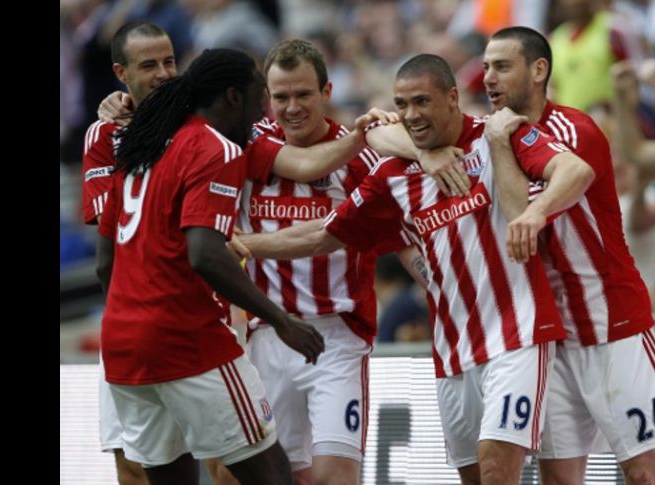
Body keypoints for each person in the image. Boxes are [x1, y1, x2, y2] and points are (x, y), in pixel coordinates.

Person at [234, 53, 596, 485]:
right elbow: (327, 233)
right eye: (401, 105)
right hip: (451, 348)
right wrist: (240, 248)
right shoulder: (390, 172)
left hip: (515, 334)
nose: (411, 115)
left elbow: (575, 169)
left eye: (422, 102)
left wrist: (534, 216)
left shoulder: (497, 135)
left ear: (452, 98)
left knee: (500, 468)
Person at [95, 47, 326, 485]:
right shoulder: (214, 147)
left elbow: (105, 263)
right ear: (234, 97)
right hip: (186, 340)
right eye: (261, 101)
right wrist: (280, 320)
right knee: (271, 471)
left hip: (123, 346)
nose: (264, 118)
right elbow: (204, 252)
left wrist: (137, 318)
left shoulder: (142, 144)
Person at [482, 26, 655, 484]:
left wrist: (532, 212)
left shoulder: (574, 128)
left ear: (539, 71)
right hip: (552, 334)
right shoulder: (497, 136)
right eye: (486, 66)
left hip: (613, 321)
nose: (488, 77)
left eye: (502, 66)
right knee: (558, 478)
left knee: (642, 473)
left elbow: (522, 215)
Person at [234, 39, 424, 485]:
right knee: (273, 477)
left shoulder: (359, 153)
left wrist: (440, 286)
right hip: (268, 333)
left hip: (335, 337)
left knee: (333, 476)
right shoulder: (248, 147)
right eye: (281, 97)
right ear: (267, 98)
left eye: (303, 94)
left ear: (327, 92)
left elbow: (402, 238)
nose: (292, 107)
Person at [81, 20, 176, 485]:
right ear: (121, 72)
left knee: (225, 461)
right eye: (149, 65)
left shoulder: (198, 125)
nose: (163, 73)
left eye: (170, 62)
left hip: (194, 315)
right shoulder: (102, 137)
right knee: (132, 463)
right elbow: (112, 229)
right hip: (127, 317)